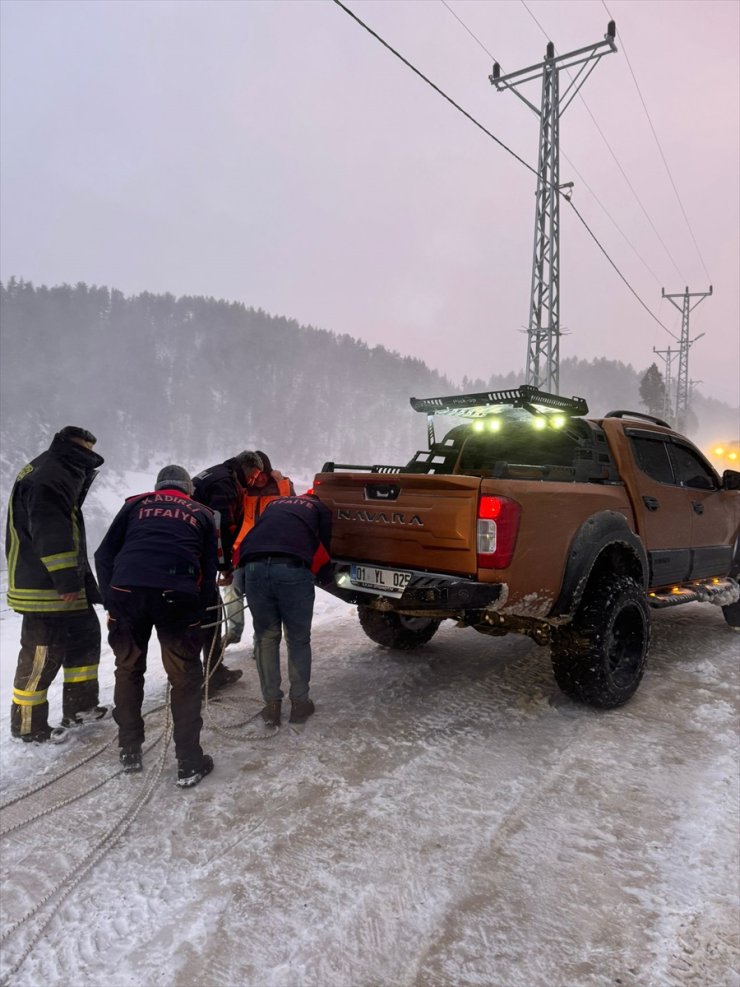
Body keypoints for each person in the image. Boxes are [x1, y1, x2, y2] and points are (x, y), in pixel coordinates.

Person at [94, 465, 216, 787]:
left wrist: (111, 600)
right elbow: (209, 569)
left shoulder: (134, 504)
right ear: (188, 489)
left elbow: (103, 554)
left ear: (158, 486)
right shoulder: (203, 513)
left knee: (128, 669)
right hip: (177, 596)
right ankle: (189, 763)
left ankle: (129, 750)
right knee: (185, 678)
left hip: (127, 593)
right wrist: (198, 614)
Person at [6, 425, 107, 743]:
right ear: (77, 447)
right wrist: (65, 579)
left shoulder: (55, 469)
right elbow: (51, 529)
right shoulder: (52, 474)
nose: (90, 456)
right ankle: (27, 726)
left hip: (61, 583)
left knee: (86, 636)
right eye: (88, 450)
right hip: (44, 588)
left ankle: (81, 708)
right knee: (41, 655)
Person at [237, 494, 332, 727]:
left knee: (266, 638)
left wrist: (242, 580)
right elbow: (325, 545)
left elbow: (254, 537)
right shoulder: (320, 508)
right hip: (292, 568)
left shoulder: (273, 505)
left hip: (254, 566)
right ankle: (299, 705)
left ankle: (272, 706)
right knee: (298, 639)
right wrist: (325, 575)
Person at [192, 450, 263, 690]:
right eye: (253, 476)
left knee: (198, 615)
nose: (253, 482)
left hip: (187, 552)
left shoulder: (217, 474)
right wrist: (225, 567)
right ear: (246, 467)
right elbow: (219, 528)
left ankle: (192, 674)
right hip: (197, 557)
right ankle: (210, 675)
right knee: (209, 615)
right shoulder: (225, 485)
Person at [223, 450, 295, 648]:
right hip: (242, 551)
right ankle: (234, 632)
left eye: (263, 474)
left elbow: (294, 513)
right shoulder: (242, 489)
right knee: (231, 589)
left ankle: (260, 644)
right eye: (256, 475)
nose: (259, 479)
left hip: (270, 552)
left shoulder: (283, 486)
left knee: (262, 598)